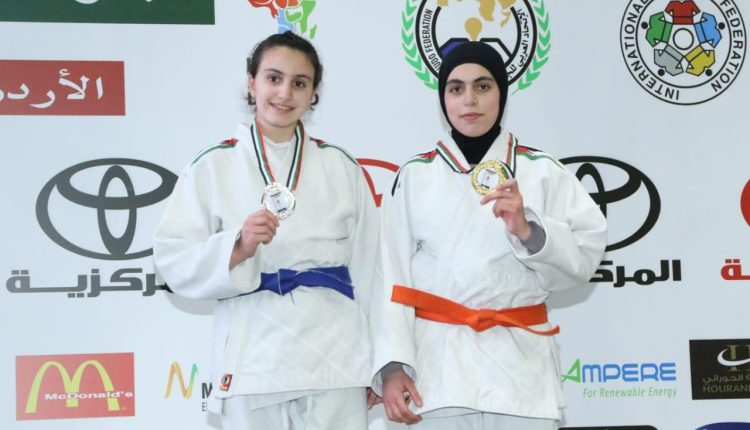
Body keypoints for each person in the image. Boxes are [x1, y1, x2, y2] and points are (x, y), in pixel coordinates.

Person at [369, 41, 607, 429]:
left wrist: (529, 231)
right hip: (438, 373)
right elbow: (389, 277)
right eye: (456, 88)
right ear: (443, 99)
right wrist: (393, 366)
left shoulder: (543, 171)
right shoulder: (414, 176)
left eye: (483, 86)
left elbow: (584, 258)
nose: (470, 100)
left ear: (502, 93)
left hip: (520, 372)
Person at [153, 31, 377, 430]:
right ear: (251, 82)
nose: (284, 93)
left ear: (313, 93)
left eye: (299, 83)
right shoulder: (213, 165)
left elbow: (373, 268)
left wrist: (379, 363)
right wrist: (236, 246)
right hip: (254, 356)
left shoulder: (341, 166)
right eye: (273, 78)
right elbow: (172, 260)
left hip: (336, 355)